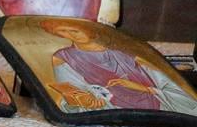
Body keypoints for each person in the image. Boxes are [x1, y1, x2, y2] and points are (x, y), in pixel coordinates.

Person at [41, 18, 197, 115]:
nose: (71, 34)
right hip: (110, 106)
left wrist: (139, 87)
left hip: (152, 103)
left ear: (91, 30)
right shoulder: (63, 57)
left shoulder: (123, 50)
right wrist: (89, 101)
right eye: (62, 32)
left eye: (75, 30)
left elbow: (163, 80)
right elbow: (72, 90)